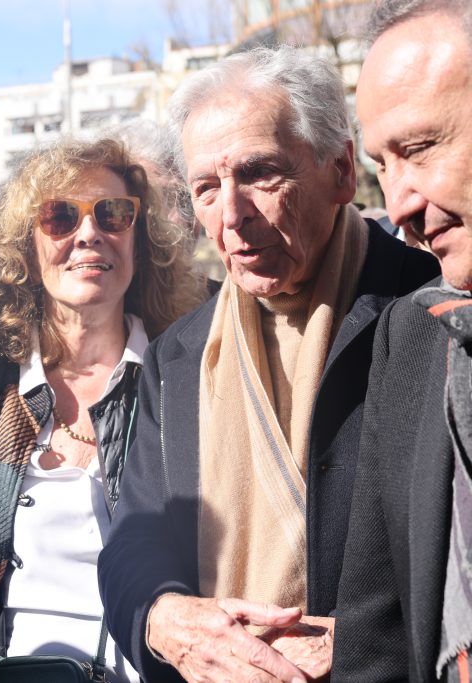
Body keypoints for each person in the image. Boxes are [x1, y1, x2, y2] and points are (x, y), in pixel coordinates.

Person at [97, 45, 440, 682]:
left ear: (342, 171)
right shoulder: (177, 357)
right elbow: (131, 544)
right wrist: (163, 618)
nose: (231, 215)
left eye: (259, 174)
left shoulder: (430, 311)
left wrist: (361, 648)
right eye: (206, 188)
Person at [0, 136, 207, 682]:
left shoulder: (191, 379)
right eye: (60, 217)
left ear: (139, 241)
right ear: (26, 249)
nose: (89, 233)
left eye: (112, 214)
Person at [333, 1, 472, 680]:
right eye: (382, 166)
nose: (399, 205)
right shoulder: (410, 334)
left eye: (419, 149)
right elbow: (375, 634)